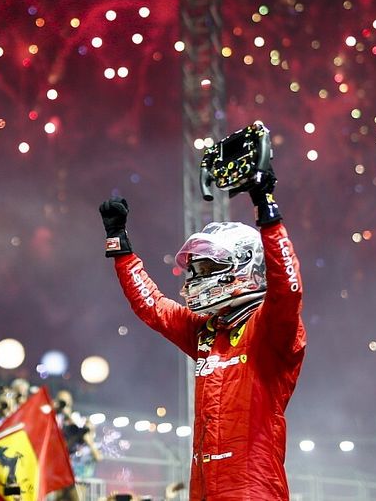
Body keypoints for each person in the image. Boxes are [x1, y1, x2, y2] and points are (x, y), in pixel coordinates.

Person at [99, 169, 306, 501]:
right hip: (203, 488)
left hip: (254, 490)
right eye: (196, 269)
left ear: (245, 266)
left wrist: (265, 207)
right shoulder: (206, 333)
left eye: (208, 268)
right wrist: (120, 246)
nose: (197, 277)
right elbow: (152, 305)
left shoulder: (271, 331)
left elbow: (287, 287)